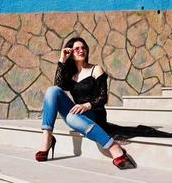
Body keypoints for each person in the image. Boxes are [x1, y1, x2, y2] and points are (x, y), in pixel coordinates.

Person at [35, 37, 136, 169]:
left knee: (71, 116)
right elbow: (58, 85)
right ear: (71, 52)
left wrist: (86, 105)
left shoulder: (96, 69)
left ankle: (114, 147)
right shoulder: (71, 75)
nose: (81, 50)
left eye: (83, 48)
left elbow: (103, 97)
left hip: (94, 114)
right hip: (78, 115)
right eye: (76, 48)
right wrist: (62, 59)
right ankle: (47, 138)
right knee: (52, 91)